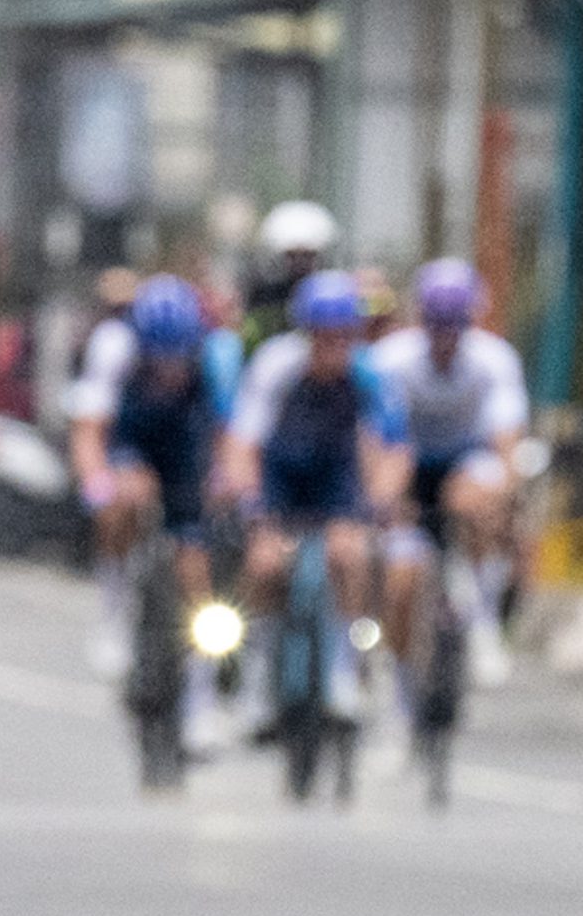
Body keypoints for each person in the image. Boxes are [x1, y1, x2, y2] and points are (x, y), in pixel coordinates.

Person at [220, 271, 401, 728]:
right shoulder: (276, 365)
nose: (333, 346)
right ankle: (257, 682)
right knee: (265, 564)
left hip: (337, 478)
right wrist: (250, 501)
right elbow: (243, 442)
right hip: (281, 475)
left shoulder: (369, 374)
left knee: (349, 553)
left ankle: (343, 669)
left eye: (343, 335)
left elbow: (393, 446)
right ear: (307, 333)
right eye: (323, 335)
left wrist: (383, 499)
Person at [67, 275, 238, 751]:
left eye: (176, 359)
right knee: (124, 499)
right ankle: (114, 610)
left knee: (195, 563)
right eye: (157, 359)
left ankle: (201, 699)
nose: (167, 370)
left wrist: (227, 483)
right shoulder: (112, 347)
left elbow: (230, 437)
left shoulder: (217, 356)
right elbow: (88, 430)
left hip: (186, 448)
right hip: (133, 443)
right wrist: (97, 482)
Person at [374, 260, 529, 733]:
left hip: (466, 462)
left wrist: (506, 493)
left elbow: (507, 443)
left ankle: (482, 619)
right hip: (408, 465)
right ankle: (399, 698)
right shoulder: (391, 361)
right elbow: (380, 442)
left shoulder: (494, 361)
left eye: (454, 326)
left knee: (476, 497)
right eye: (435, 326)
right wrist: (385, 500)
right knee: (401, 582)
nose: (444, 338)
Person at [240, 202, 340, 353]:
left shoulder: (333, 294)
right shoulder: (265, 298)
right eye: (292, 256)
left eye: (308, 256)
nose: (300, 263)